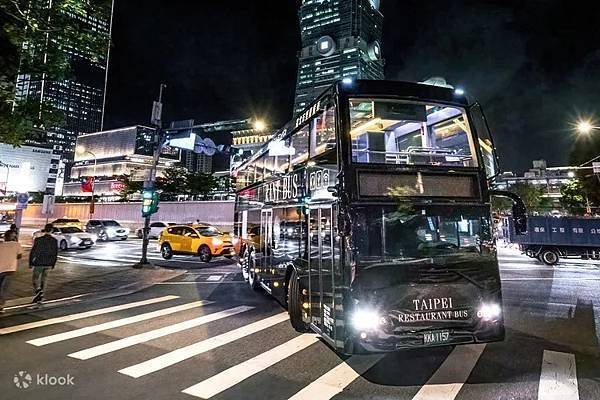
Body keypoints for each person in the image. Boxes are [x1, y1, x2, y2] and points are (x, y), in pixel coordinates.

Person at [29, 223, 58, 304]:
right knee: (44, 279)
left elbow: (33, 251)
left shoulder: (38, 240)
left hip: (39, 262)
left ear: (45, 229)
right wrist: (53, 263)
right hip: (48, 263)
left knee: (35, 278)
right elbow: (55, 253)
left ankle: (38, 291)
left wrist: (31, 262)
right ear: (52, 230)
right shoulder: (54, 241)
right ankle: (42, 295)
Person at [0, 233, 23, 312]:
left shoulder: (1, 245)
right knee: (5, 288)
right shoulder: (17, 245)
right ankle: (1, 305)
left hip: (0, 269)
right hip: (10, 269)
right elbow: (19, 256)